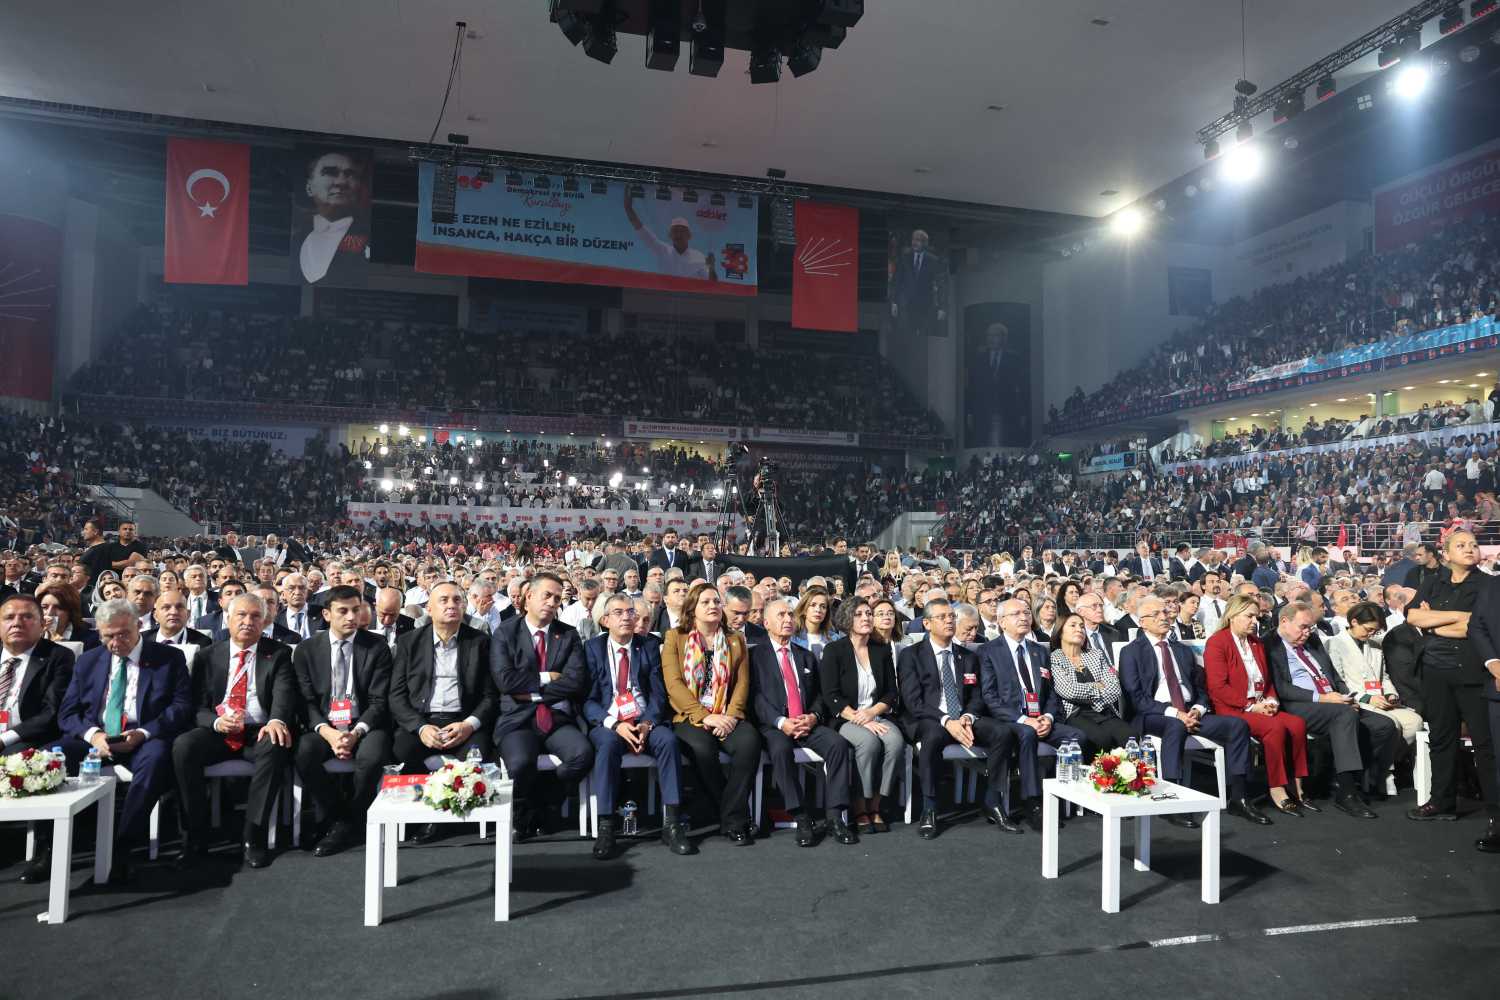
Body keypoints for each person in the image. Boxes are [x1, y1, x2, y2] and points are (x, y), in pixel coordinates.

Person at [54, 598, 191, 884]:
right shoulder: (89, 660)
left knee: (155, 761)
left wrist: (144, 733)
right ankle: (49, 848)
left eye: (123, 634)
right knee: (51, 756)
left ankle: (122, 848)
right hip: (97, 736)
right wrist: (94, 735)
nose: (116, 642)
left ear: (139, 625)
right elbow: (67, 713)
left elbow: (180, 706)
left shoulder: (169, 658)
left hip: (145, 736)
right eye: (108, 636)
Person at [172, 592, 296, 869]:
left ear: (265, 621)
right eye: (241, 615)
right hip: (218, 730)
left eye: (255, 616)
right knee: (184, 746)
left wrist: (277, 720)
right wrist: (216, 723)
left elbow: (284, 695)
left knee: (275, 743)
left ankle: (254, 836)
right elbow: (197, 705)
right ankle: (194, 836)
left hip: (258, 729)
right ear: (227, 619)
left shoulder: (278, 654)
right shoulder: (207, 655)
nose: (248, 621)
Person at [1119, 596, 1269, 825]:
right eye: (1156, 614)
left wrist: (1198, 709)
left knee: (1237, 725)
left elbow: (1201, 688)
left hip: (1190, 711)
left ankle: (1239, 798)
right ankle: (1171, 801)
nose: (1163, 617)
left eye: (1165, 612)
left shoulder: (1181, 650)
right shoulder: (1131, 651)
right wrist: (1175, 713)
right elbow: (1137, 698)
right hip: (1154, 715)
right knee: (1175, 726)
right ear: (1142, 622)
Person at [581, 594, 695, 860]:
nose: (626, 617)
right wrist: (615, 724)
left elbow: (658, 693)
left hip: (646, 719)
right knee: (607, 746)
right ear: (605, 620)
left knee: (668, 741)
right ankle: (607, 826)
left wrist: (647, 722)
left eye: (630, 612)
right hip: (609, 722)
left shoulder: (649, 645)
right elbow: (586, 700)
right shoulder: (592, 648)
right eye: (618, 612)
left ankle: (672, 823)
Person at [902, 598, 1023, 838]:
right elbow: (914, 702)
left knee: (1002, 732)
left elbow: (977, 695)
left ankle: (992, 801)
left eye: (951, 616)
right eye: (942, 617)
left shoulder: (967, 656)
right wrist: (947, 720)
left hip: (964, 718)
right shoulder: (911, 655)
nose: (949, 621)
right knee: (932, 737)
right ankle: (929, 807)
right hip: (931, 718)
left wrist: (967, 716)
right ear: (927, 623)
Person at [389, 581, 498, 842]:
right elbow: (396, 695)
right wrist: (420, 727)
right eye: (444, 600)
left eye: (457, 600)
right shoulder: (409, 642)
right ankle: (419, 814)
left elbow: (490, 696)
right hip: (423, 720)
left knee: (476, 756)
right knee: (401, 751)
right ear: (429, 608)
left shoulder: (480, 642)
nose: (451, 605)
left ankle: (445, 820)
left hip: (463, 721)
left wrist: (469, 724)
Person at [1264, 602, 1395, 818]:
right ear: (1284, 621)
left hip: (1333, 700)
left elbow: (1332, 675)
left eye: (1311, 628)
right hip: (1299, 704)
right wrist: (1324, 698)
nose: (1307, 632)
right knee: (1344, 715)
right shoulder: (1268, 644)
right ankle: (1347, 792)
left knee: (1384, 725)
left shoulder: (1312, 639)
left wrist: (1348, 697)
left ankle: (1343, 777)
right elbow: (1281, 687)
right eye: (1303, 627)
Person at [291, 585, 395, 857]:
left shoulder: (377, 647)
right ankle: (341, 817)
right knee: (304, 752)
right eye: (343, 611)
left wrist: (355, 732)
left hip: (365, 723)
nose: (351, 617)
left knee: (373, 756)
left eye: (356, 610)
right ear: (327, 614)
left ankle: (350, 820)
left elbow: (379, 701)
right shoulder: (306, 650)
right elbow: (305, 702)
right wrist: (329, 733)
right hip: (324, 725)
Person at [490, 571, 592, 839]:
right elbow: (506, 681)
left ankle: (547, 803)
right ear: (528, 597)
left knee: (582, 755)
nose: (552, 602)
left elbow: (574, 682)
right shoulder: (505, 632)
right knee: (520, 763)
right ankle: (524, 813)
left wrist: (531, 693)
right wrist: (547, 678)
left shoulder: (567, 635)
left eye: (557, 598)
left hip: (557, 718)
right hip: (518, 718)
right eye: (547, 595)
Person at [1408, 529, 1497, 830]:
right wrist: (1460, 618)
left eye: (1474, 544)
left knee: (1486, 745)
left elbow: (1480, 627)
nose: (1470, 549)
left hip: (1475, 673)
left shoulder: (1489, 585)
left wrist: (1433, 623)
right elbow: (1413, 617)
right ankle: (1441, 802)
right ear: (1445, 553)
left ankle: (1495, 812)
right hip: (1434, 672)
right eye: (1461, 545)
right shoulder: (1432, 582)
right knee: (1441, 738)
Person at [751, 597, 857, 847]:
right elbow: (755, 697)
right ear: (766, 623)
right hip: (775, 726)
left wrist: (813, 717)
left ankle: (835, 817)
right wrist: (781, 722)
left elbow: (820, 695)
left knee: (838, 745)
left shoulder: (805, 656)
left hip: (807, 722)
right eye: (781, 615)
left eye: (790, 614)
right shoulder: (754, 656)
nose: (788, 619)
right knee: (780, 749)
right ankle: (801, 817)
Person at [661, 582, 762, 845]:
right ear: (692, 608)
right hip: (689, 715)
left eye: (716, 601)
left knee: (749, 742)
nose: (713, 606)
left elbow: (742, 683)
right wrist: (704, 715)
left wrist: (731, 715)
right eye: (705, 602)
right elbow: (673, 684)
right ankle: (735, 817)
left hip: (727, 714)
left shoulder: (735, 639)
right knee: (702, 748)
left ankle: (728, 816)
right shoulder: (675, 637)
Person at [978, 599, 1084, 830]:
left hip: (1040, 717)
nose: (1024, 617)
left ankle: (1065, 796)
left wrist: (1048, 717)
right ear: (1002, 622)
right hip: (1010, 719)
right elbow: (990, 697)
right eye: (1016, 614)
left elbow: (1051, 693)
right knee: (1027, 733)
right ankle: (1032, 802)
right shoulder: (989, 651)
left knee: (1077, 737)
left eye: (1026, 612)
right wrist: (1025, 719)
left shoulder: (1039, 651)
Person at [1203, 595, 1311, 816]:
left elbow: (1267, 681)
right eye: (1249, 616)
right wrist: (1250, 706)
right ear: (1233, 616)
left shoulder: (1256, 643)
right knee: (1275, 727)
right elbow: (1217, 687)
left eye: (1257, 617)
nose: (1255, 621)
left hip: (1259, 704)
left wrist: (1271, 701)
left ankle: (1296, 784)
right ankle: (1276, 788)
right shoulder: (1217, 642)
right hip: (1232, 709)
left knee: (1297, 724)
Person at [820, 600, 902, 834]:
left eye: (868, 613)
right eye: (859, 614)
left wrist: (872, 713)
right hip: (846, 717)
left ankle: (876, 805)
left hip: (875, 714)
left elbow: (891, 692)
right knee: (868, 742)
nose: (866, 618)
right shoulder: (834, 650)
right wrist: (861, 718)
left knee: (895, 742)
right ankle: (859, 806)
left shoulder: (881, 649)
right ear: (847, 619)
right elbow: (830, 695)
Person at [1326, 601, 1424, 748]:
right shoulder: (1334, 644)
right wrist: (1367, 698)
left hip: (1380, 699)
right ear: (1354, 622)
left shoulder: (1375, 645)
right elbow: (1339, 682)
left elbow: (1383, 676)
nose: (1371, 633)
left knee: (1414, 722)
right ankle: (1383, 761)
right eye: (1368, 629)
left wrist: (1391, 694)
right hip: (1357, 701)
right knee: (1392, 724)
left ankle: (1390, 758)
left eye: (1375, 631)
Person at [1048, 611, 1134, 756]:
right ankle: (1098, 771)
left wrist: (1090, 692)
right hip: (1075, 714)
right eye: (1073, 625)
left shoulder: (1096, 655)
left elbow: (1114, 687)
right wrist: (1097, 685)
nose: (1079, 629)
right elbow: (1068, 690)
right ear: (1060, 632)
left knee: (1129, 736)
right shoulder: (1055, 657)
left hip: (1103, 710)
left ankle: (1125, 771)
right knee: (1101, 739)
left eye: (1082, 626)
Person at [295, 149, 371, 284]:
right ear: (309, 188)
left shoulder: (369, 236)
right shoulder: (296, 235)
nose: (341, 181)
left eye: (349, 174)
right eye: (330, 172)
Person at [623, 191, 717, 281]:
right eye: (675, 231)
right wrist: (628, 208)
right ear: (670, 235)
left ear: (689, 236)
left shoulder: (699, 257)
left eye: (682, 231)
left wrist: (712, 268)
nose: (678, 234)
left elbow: (712, 283)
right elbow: (640, 229)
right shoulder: (662, 250)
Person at [889, 228, 947, 338]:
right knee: (905, 334)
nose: (914, 243)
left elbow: (941, 284)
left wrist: (942, 307)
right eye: (913, 239)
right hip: (906, 305)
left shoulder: (933, 260)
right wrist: (894, 302)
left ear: (925, 243)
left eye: (918, 240)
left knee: (923, 336)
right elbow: (897, 281)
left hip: (925, 305)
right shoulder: (904, 257)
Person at [36, 581, 99, 651]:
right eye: (44, 607)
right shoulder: (30, 635)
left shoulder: (91, 639)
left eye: (59, 607)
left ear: (71, 611)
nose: (49, 613)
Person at [790, 585, 840, 663]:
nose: (818, 610)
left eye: (823, 606)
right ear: (804, 609)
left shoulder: (835, 639)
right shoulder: (792, 638)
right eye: (813, 605)